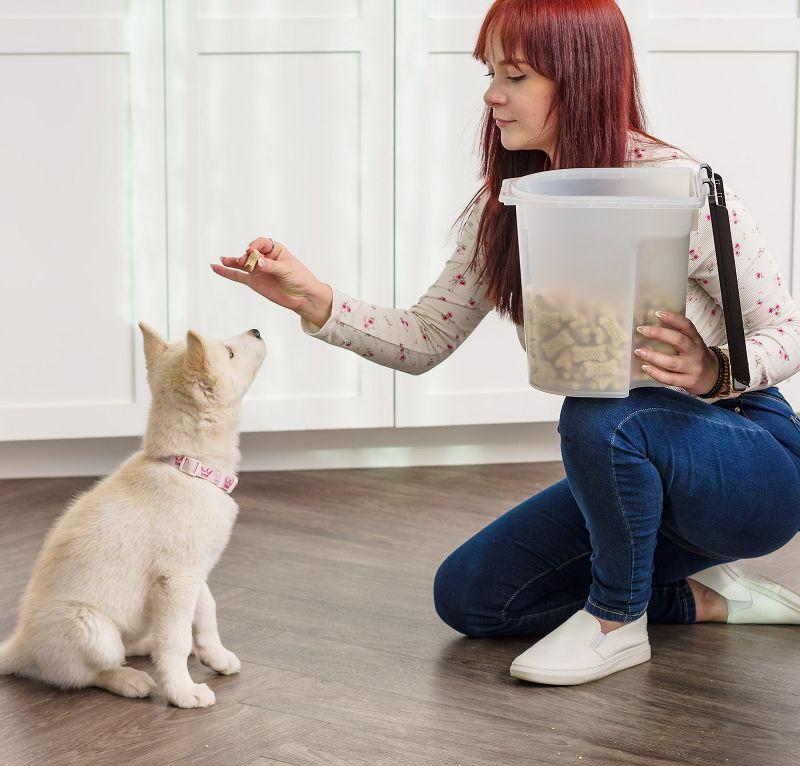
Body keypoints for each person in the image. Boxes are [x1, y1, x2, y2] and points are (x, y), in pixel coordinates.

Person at [210, 0, 800, 685]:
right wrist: (313, 299)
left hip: (750, 465)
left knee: (599, 409)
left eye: (515, 75)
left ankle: (616, 622)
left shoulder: (678, 190)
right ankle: (703, 597)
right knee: (472, 595)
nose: (492, 95)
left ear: (580, 76)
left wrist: (712, 370)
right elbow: (426, 338)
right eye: (489, 72)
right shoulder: (513, 205)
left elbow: (787, 330)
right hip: (629, 466)